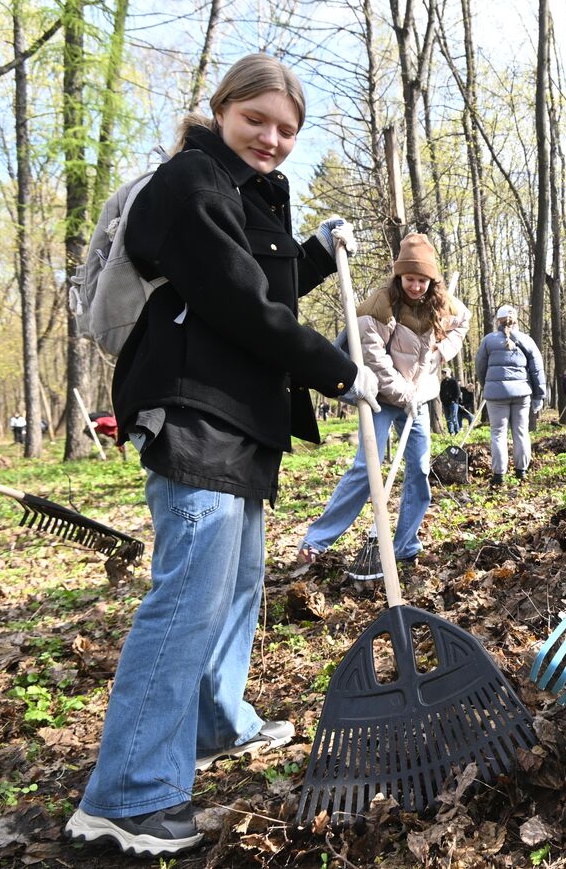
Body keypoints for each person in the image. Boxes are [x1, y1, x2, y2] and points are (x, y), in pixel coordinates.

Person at [63, 54, 380, 857]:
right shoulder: (190, 181)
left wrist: (310, 249)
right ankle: (126, 796)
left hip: (239, 414)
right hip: (191, 406)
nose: (272, 139)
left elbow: (255, 285)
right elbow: (233, 300)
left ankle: (214, 723)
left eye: (286, 129)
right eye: (257, 120)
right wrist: (342, 371)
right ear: (222, 109)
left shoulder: (243, 193)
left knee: (236, 580)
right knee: (189, 596)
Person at [296, 234, 469, 573]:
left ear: (431, 280)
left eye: (422, 280)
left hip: (419, 398)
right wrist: (404, 394)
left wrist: (441, 352)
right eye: (410, 279)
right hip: (381, 396)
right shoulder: (378, 307)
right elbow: (374, 361)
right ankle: (316, 541)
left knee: (418, 470)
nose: (416, 286)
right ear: (399, 276)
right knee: (366, 469)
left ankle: (405, 545)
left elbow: (462, 323)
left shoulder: (443, 303)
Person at [475, 305, 545, 486]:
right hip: (522, 394)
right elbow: (537, 370)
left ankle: (499, 475)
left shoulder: (488, 341)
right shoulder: (527, 340)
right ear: (516, 320)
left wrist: (488, 386)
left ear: (498, 321)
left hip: (496, 396)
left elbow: (480, 368)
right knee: (521, 432)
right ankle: (521, 471)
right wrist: (539, 395)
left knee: (498, 433)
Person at [440, 369, 464, 434]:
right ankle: (451, 432)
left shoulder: (454, 381)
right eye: (443, 372)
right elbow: (441, 392)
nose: (444, 374)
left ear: (449, 372)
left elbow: (458, 392)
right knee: (448, 418)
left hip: (453, 403)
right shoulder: (443, 382)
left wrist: (454, 400)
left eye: (445, 372)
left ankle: (457, 431)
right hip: (445, 403)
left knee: (453, 418)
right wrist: (442, 401)